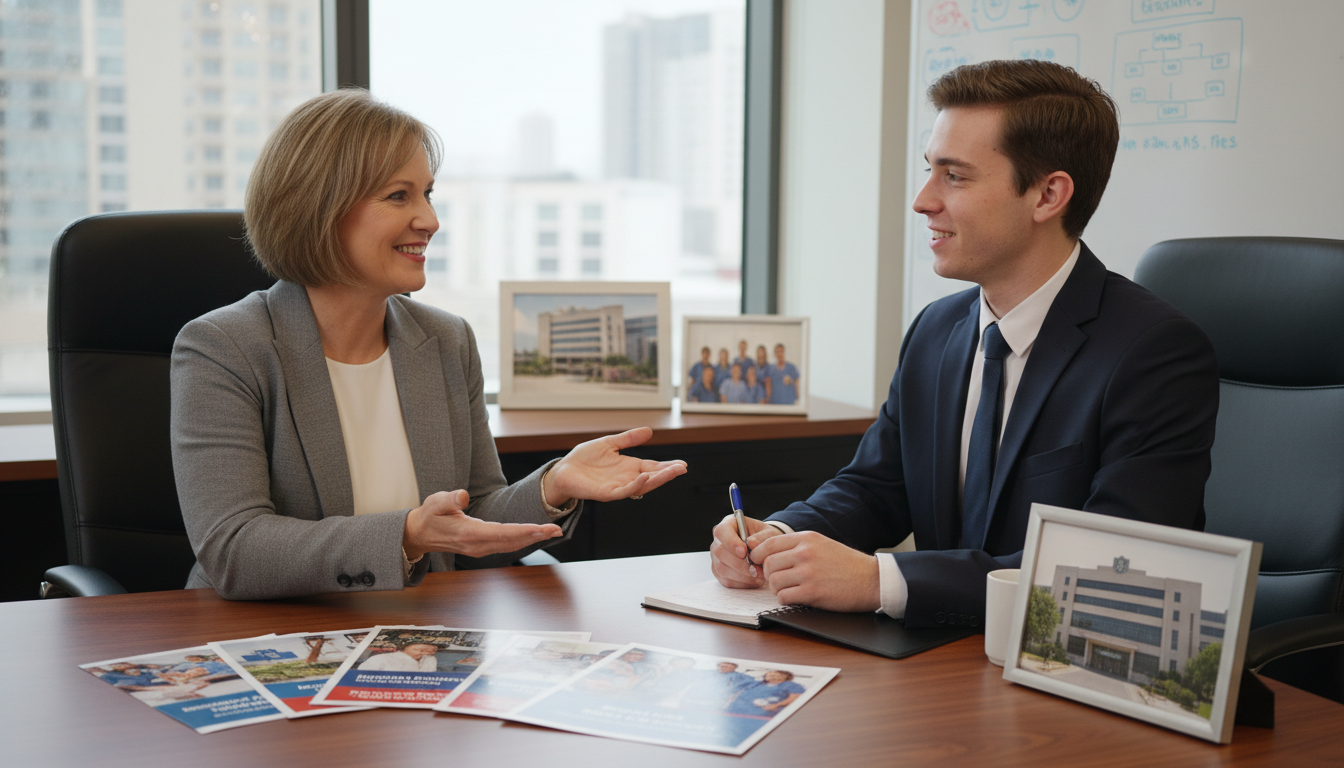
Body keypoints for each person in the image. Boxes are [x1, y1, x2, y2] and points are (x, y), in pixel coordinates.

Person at [709, 59, 1218, 630]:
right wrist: (777, 536)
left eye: (954, 176)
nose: (923, 200)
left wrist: (880, 581)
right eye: (930, 171)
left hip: (1065, 677)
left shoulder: (1153, 353)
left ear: (1048, 195)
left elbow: (1111, 576)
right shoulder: (938, 329)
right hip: (942, 663)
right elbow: (877, 487)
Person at [170, 90, 687, 601]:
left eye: (428, 194)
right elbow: (234, 549)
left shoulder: (445, 339)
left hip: (423, 637)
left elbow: (473, 520)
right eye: (399, 196)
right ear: (319, 208)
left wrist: (554, 485)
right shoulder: (224, 347)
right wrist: (408, 535)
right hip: (273, 641)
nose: (430, 220)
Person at [725, 670, 804, 717]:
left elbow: (796, 697)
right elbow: (731, 691)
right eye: (769, 674)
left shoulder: (790, 685)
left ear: (786, 678)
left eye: (776, 675)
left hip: (761, 714)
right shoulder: (753, 683)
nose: (770, 675)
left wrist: (777, 705)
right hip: (734, 711)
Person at [357, 641, 440, 672]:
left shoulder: (430, 659)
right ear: (404, 649)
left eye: (432, 651)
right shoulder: (379, 659)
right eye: (420, 650)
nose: (427, 652)